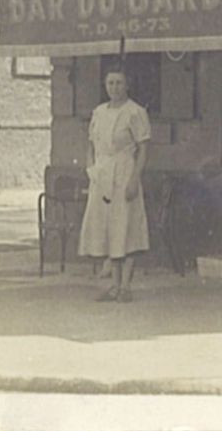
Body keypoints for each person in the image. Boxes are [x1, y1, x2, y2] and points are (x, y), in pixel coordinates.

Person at [79, 65, 151, 301]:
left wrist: (134, 179)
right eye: (110, 83)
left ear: (127, 85)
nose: (114, 88)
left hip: (124, 172)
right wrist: (92, 170)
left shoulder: (135, 112)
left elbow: (142, 149)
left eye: (119, 83)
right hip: (102, 175)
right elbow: (91, 144)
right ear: (105, 85)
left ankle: (125, 287)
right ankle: (113, 284)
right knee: (107, 227)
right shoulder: (99, 112)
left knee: (125, 226)